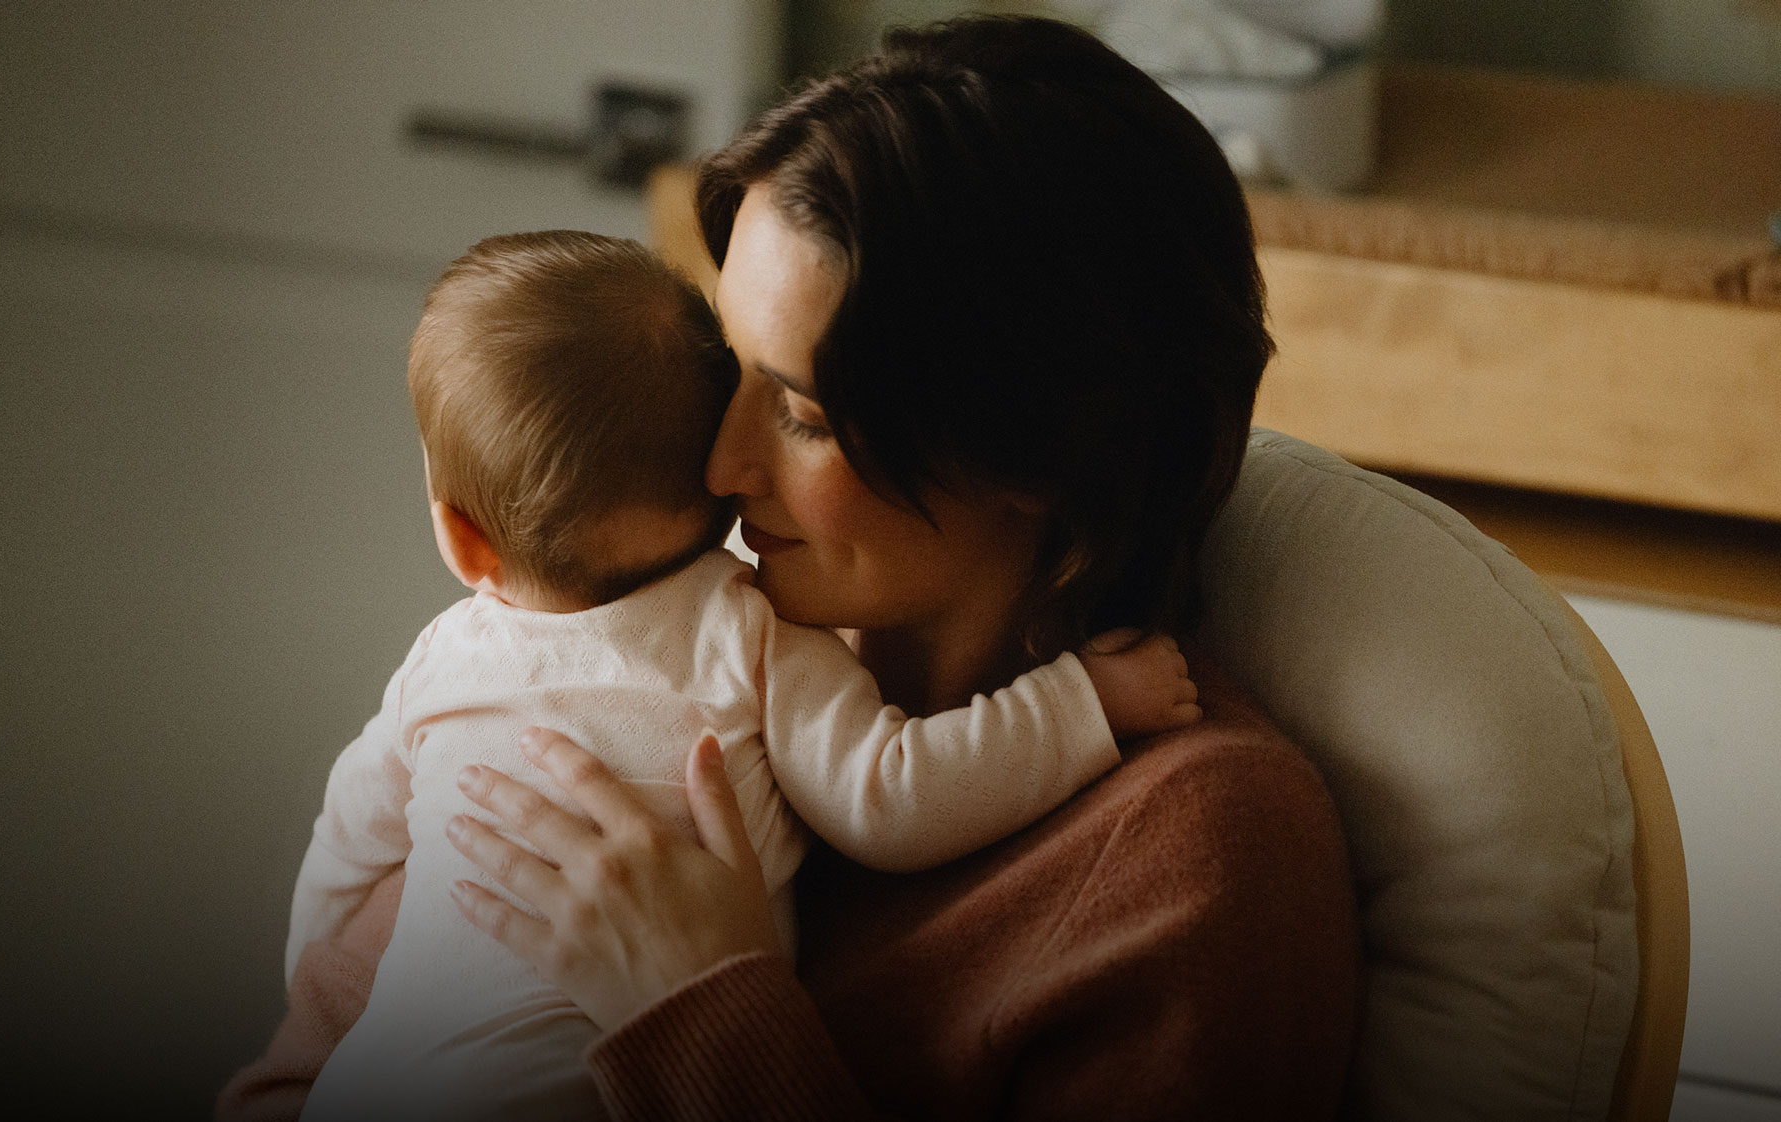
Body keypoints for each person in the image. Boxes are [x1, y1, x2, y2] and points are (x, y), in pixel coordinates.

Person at [220, 15, 1361, 1121]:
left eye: (803, 415)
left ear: (1036, 459)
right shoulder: (663, 660)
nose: (719, 467)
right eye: (731, 374)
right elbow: (302, 1067)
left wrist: (699, 1014)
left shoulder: (1203, 863)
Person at [284, 229, 1203, 1121]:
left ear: (460, 537)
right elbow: (893, 793)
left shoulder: (444, 661)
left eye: (797, 410)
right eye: (738, 389)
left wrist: (314, 964)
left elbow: (349, 841)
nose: (737, 455)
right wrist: (1084, 701)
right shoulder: (751, 636)